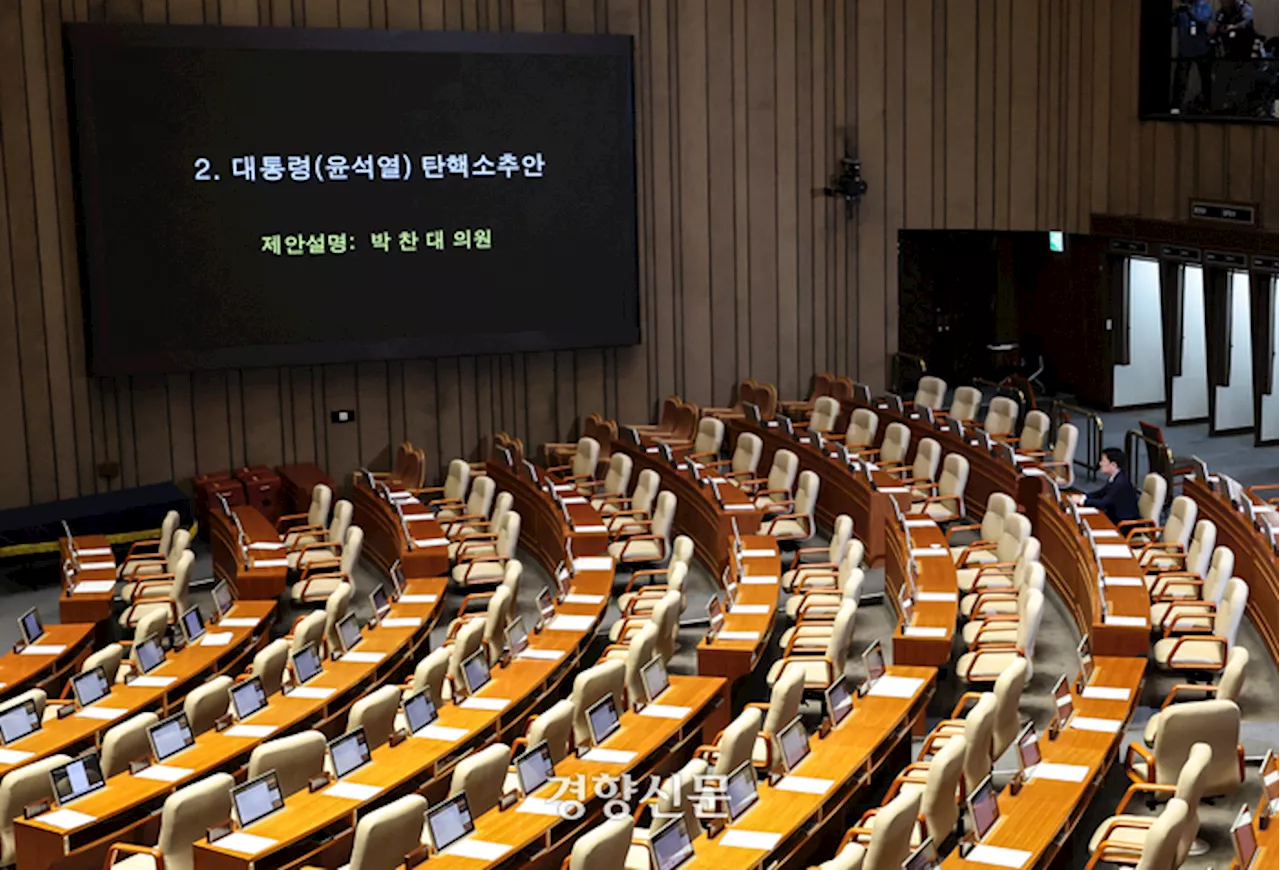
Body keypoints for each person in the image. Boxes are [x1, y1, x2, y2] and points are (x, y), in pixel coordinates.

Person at [1171, 1, 1214, 113]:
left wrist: (1189, 10)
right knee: (1180, 80)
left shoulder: (1205, 6)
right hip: (1185, 50)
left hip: (1202, 49)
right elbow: (1172, 22)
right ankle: (1176, 107)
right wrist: (1175, 12)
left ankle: (1207, 106)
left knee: (1206, 80)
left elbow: (1202, 19)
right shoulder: (1182, 9)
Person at [1080, 447, 1140, 525]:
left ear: (1113, 465)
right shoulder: (1116, 477)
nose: (1100, 463)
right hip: (1113, 518)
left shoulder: (1120, 483)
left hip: (1124, 525)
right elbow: (1101, 493)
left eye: (1103, 461)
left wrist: (1083, 501)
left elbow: (1103, 503)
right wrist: (1084, 496)